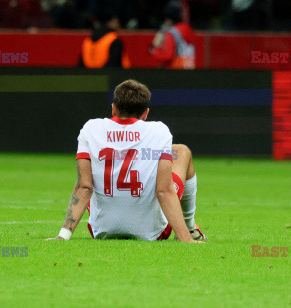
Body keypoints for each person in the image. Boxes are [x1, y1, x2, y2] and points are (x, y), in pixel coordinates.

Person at [46, 80, 206, 242]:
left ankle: (66, 233)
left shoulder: (91, 128)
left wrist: (62, 236)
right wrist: (186, 241)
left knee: (88, 177)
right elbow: (164, 191)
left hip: (102, 230)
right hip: (152, 233)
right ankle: (190, 228)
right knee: (181, 151)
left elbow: (84, 187)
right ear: (145, 113)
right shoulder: (159, 131)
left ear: (113, 108)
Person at [149, 1, 195, 69]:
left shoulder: (172, 32)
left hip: (177, 68)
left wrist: (154, 51)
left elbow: (168, 56)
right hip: (191, 65)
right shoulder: (189, 29)